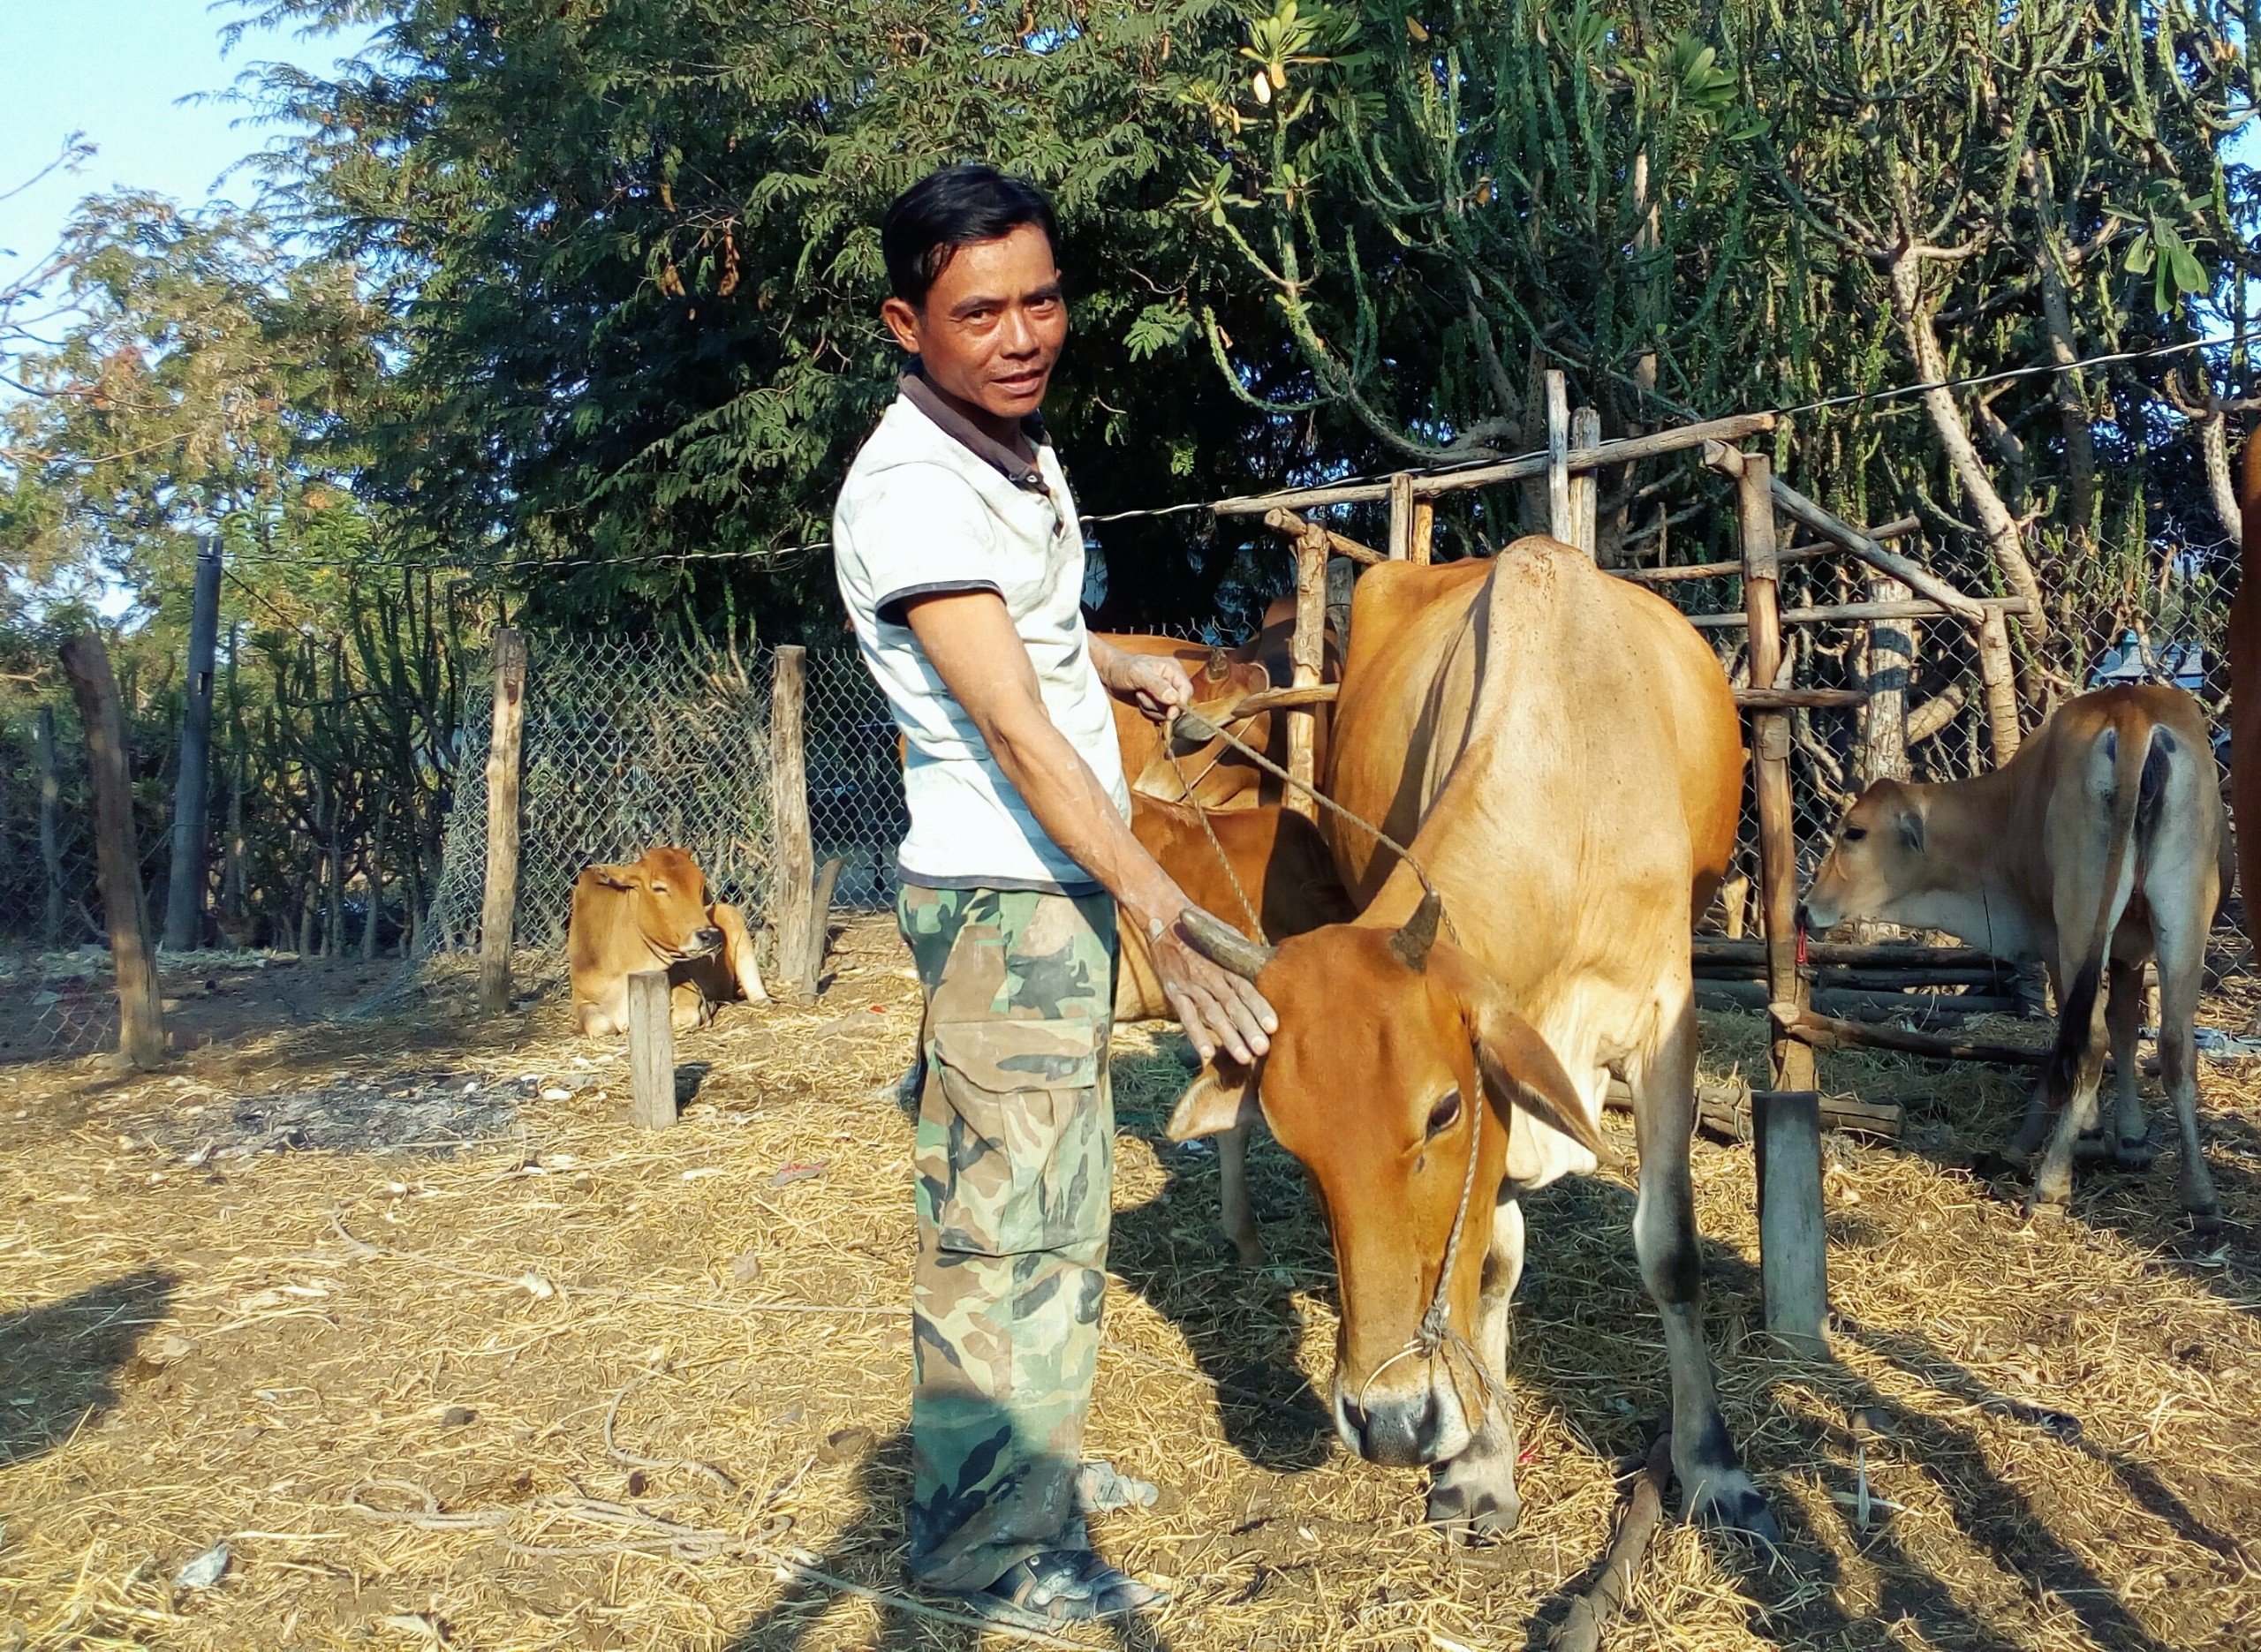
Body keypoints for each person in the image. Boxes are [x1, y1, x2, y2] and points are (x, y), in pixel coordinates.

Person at [832, 162, 1278, 1628]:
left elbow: (1030, 639)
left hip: (1048, 895)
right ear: (910, 322)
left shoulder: (1006, 452)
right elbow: (1009, 725)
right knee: (1000, 1232)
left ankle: (1034, 1492)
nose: (1020, 334)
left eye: (1040, 299)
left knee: (1060, 1207)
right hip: (1003, 899)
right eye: (978, 312)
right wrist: (1156, 896)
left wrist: (1116, 657)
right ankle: (975, 1556)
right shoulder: (910, 487)